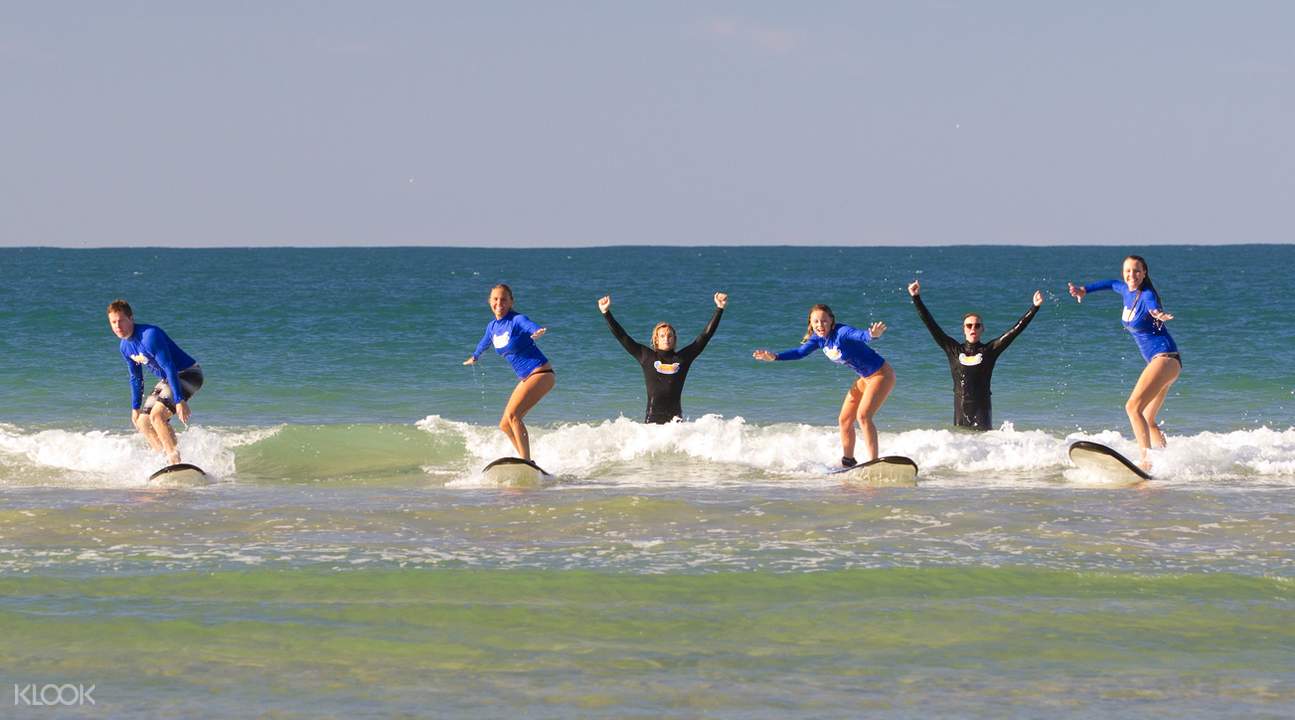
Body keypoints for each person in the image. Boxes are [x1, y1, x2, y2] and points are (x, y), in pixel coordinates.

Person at [1068, 255, 1179, 471]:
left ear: (1144, 273)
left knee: (1132, 407)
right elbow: (1110, 284)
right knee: (1148, 418)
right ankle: (1167, 463)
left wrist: (1158, 313)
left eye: (1137, 271)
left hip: (1165, 358)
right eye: (1128, 270)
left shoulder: (1146, 294)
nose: (1132, 275)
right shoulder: (1124, 289)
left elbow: (1152, 305)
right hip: (1169, 363)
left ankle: (1146, 462)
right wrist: (1084, 290)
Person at [753, 304, 895, 466]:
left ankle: (873, 462)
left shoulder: (842, 332)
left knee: (863, 416)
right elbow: (800, 353)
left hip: (881, 375)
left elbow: (861, 335)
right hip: (864, 379)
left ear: (832, 321)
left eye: (824, 321)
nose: (820, 325)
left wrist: (872, 334)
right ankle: (848, 461)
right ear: (811, 324)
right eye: (816, 322)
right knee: (844, 420)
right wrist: (775, 357)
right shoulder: (818, 339)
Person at [907, 280, 1043, 430]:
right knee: (961, 441)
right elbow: (931, 325)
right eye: (969, 325)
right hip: (960, 409)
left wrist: (1034, 307)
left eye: (977, 325)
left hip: (982, 410)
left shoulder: (990, 350)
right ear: (963, 329)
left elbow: (1015, 330)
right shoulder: (953, 350)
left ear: (982, 329)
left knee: (983, 440)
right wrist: (916, 297)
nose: (973, 328)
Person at [597, 292, 727, 423]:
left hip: (675, 422)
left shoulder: (683, 358)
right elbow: (623, 337)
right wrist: (606, 313)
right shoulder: (646, 356)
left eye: (670, 336)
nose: (666, 339)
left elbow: (705, 336)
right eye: (662, 336)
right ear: (656, 339)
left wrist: (719, 309)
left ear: (674, 339)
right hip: (652, 421)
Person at [463, 284, 555, 461]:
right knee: (505, 424)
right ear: (490, 301)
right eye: (495, 299)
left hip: (541, 373)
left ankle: (526, 461)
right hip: (527, 378)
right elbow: (484, 343)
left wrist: (536, 330)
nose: (499, 303)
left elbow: (528, 325)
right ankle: (526, 460)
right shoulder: (492, 327)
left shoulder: (517, 320)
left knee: (514, 416)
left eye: (504, 299)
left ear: (511, 301)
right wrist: (475, 357)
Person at [107, 299, 203, 466]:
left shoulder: (150, 335)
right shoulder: (125, 347)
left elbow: (169, 366)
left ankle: (175, 462)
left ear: (131, 318)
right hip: (169, 378)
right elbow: (136, 377)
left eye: (121, 320)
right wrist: (135, 407)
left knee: (157, 415)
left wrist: (179, 400)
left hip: (189, 373)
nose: (117, 326)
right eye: (113, 322)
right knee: (143, 422)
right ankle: (164, 461)